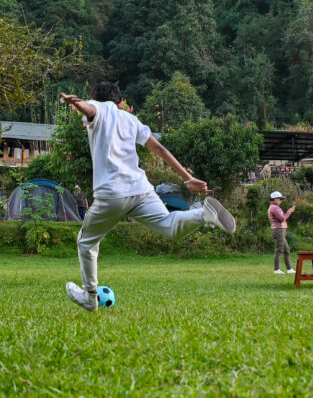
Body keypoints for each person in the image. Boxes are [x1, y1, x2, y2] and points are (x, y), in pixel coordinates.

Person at [59, 82, 236, 312]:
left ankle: (90, 297)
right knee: (170, 227)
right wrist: (187, 178)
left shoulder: (98, 108)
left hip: (112, 194)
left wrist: (77, 103)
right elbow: (160, 149)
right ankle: (204, 214)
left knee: (86, 242)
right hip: (141, 190)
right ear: (120, 102)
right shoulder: (131, 120)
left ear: (96, 98)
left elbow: (91, 110)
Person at [268, 190, 296, 274]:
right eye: (280, 199)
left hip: (280, 230)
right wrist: (289, 211)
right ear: (275, 199)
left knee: (286, 250)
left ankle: (289, 269)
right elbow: (282, 218)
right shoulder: (274, 208)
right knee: (279, 250)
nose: (281, 200)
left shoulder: (275, 207)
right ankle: (277, 270)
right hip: (278, 230)